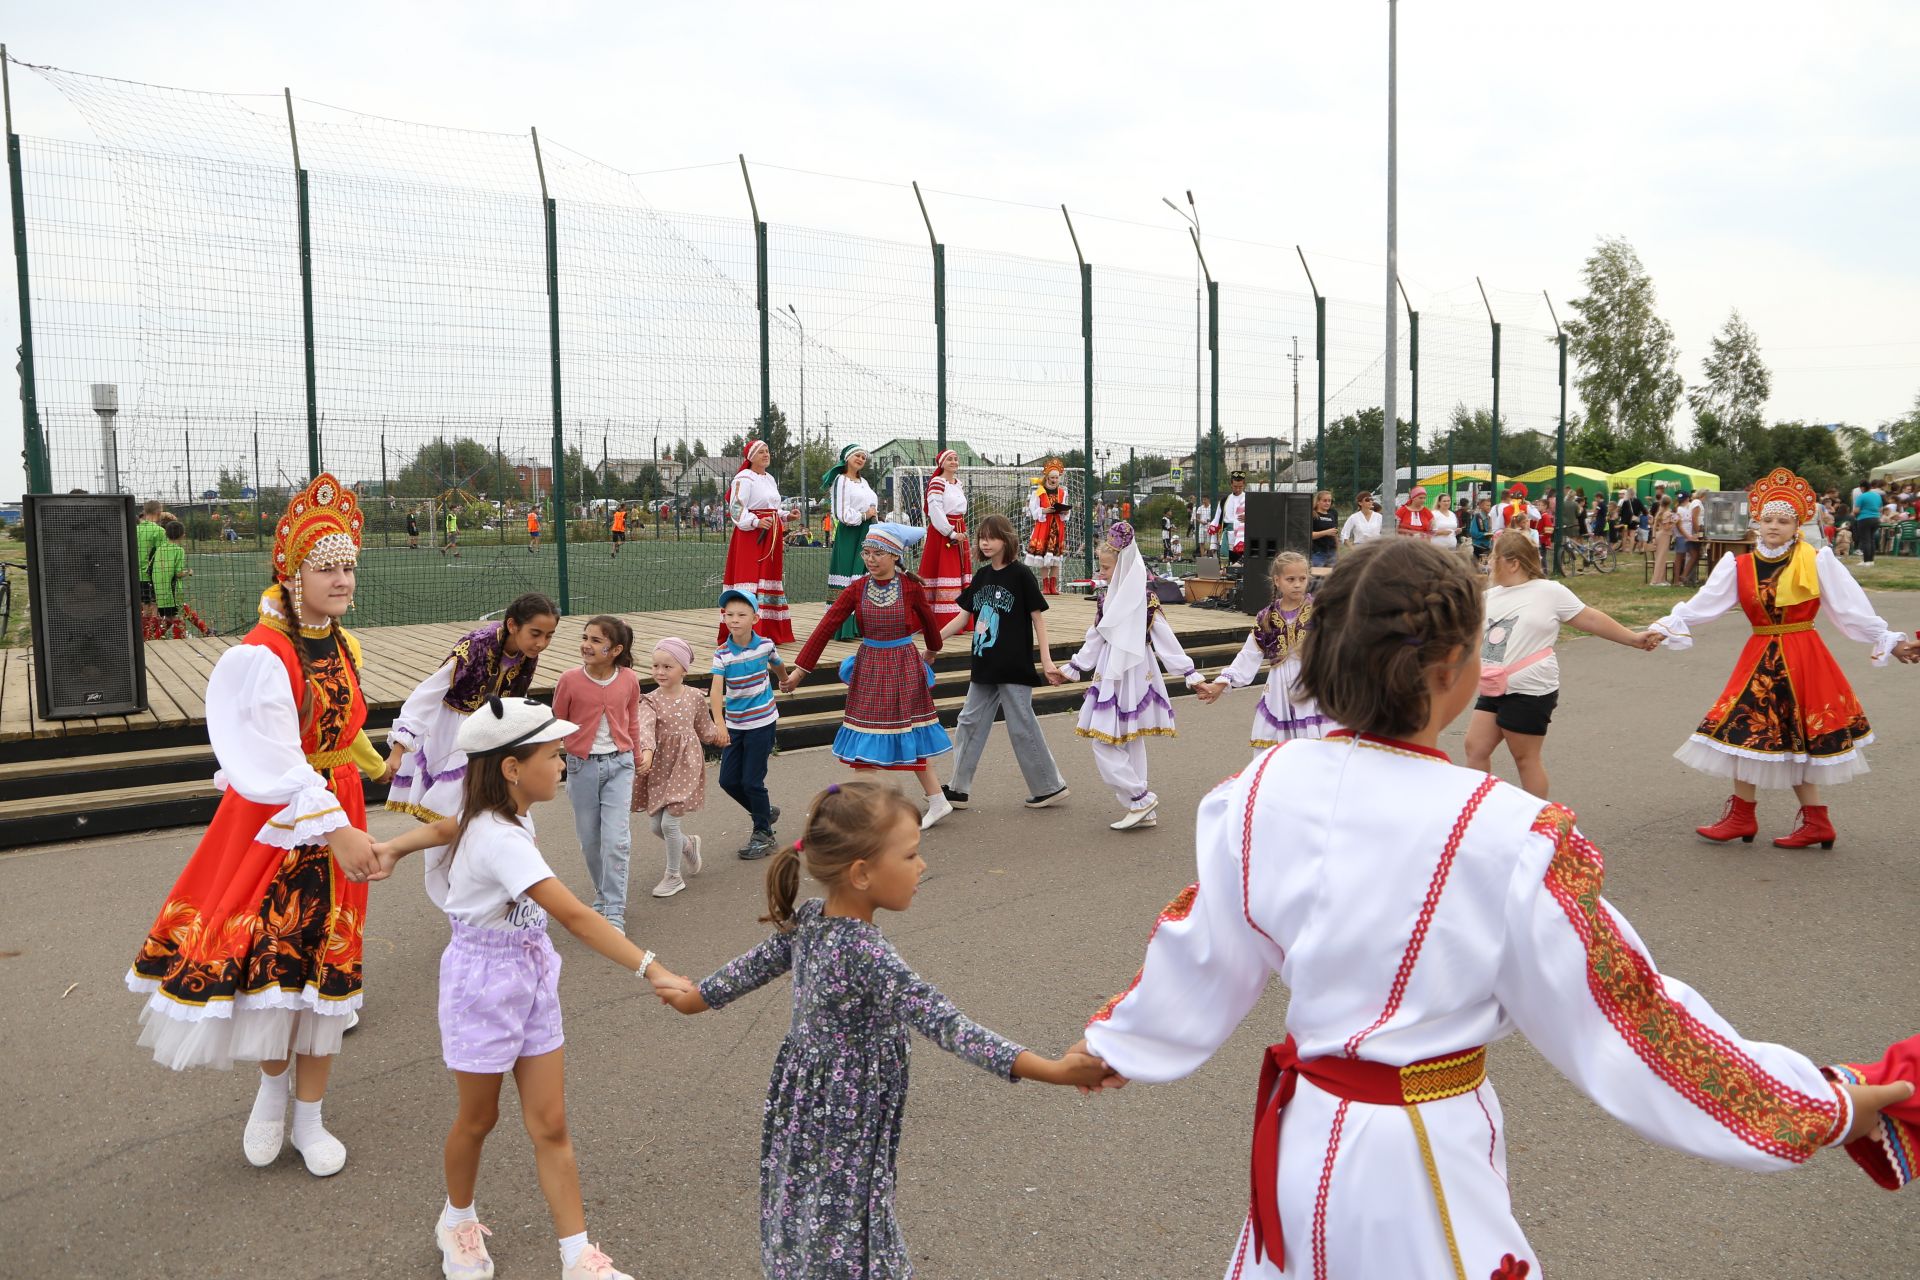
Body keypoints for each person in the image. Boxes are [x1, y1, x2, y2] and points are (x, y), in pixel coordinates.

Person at [1070, 536, 1913, 1280]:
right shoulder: (1505, 834)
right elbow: (1632, 1017)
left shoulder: (1254, 793)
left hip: (1301, 1146)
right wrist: (1827, 1101)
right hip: (1422, 1162)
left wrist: (1117, 1045)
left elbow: (1204, 944)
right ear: (1452, 674)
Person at [647, 781, 1109, 1280]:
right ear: (862, 873)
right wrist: (1053, 1070)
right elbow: (947, 1025)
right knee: (848, 1226)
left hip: (803, 1107)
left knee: (808, 1209)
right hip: (847, 1117)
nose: (922, 866)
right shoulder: (868, 955)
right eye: (911, 855)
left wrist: (694, 999)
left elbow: (746, 969)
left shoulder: (810, 919)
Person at [126, 473, 382, 1175]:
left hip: (338, 811)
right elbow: (272, 753)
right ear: (293, 574)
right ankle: (272, 1099)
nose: (341, 578)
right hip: (283, 821)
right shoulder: (261, 658)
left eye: (349, 565)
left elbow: (344, 730)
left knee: (328, 969)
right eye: (326, 567)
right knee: (275, 962)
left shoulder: (347, 646)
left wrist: (388, 766)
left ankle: (311, 1116)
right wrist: (337, 827)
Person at [369, 697, 673, 1280]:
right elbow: (577, 917)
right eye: (553, 755)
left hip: (530, 972)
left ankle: (577, 1255)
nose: (563, 764)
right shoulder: (501, 838)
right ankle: (456, 1219)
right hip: (481, 982)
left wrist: (395, 847)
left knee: (550, 1123)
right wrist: (651, 968)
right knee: (478, 1120)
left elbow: (449, 824)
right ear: (512, 767)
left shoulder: (503, 814)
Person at [1649, 467, 1901, 849]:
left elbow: (1850, 610)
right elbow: (1704, 606)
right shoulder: (1739, 565)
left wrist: (1889, 640)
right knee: (1746, 729)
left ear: (1797, 525)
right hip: (1760, 657)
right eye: (1767, 519)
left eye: (1783, 520)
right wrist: (1666, 627)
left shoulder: (1817, 561)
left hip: (1804, 658)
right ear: (1756, 522)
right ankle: (1746, 817)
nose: (1773, 526)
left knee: (1798, 738)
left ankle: (1809, 822)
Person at [784, 524, 954, 829]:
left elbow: (930, 625)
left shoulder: (911, 588)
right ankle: (865, 809)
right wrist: (800, 671)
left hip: (903, 667)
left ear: (895, 556)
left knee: (910, 733)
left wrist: (931, 652)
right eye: (867, 552)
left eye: (878, 553)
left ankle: (937, 801)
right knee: (866, 734)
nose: (871, 559)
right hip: (870, 668)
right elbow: (827, 626)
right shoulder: (857, 589)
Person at [1468, 532, 1656, 798]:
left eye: (1494, 557)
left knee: (1524, 758)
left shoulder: (1549, 591)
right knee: (1474, 748)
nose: (1488, 562)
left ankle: (1537, 823)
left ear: (1513, 563)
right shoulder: (1490, 596)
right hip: (1492, 687)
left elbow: (1590, 619)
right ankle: (1477, 811)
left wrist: (1633, 639)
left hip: (1530, 691)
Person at [1047, 522, 1202, 830]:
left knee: (1103, 742)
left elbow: (1165, 640)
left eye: (1106, 568)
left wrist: (1190, 675)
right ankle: (1141, 807)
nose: (1101, 573)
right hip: (1114, 672)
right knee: (1130, 740)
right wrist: (1071, 669)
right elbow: (1095, 639)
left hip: (1133, 674)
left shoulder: (1145, 601)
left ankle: (1140, 797)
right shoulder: (1108, 600)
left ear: (1124, 567)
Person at [385, 594, 561, 829]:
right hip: (452, 736)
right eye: (535, 633)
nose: (541, 643)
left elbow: (516, 699)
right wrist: (399, 748)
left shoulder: (527, 654)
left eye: (549, 636)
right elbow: (427, 694)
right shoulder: (476, 645)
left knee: (479, 819)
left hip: (488, 736)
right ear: (512, 625)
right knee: (445, 821)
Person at [938, 512, 1069, 815]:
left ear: (1006, 540)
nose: (985, 542)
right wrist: (934, 642)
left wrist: (1046, 660)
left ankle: (1049, 787)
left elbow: (1038, 619)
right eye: (981, 536)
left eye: (992, 536)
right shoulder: (982, 576)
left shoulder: (1021, 574)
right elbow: (963, 616)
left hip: (1013, 665)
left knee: (1021, 726)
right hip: (984, 663)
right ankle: (958, 789)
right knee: (968, 722)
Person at [552, 616, 642, 933]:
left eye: (595, 641)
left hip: (620, 764)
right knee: (591, 842)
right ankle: (602, 897)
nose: (586, 645)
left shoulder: (629, 679)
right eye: (585, 637)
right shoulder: (569, 680)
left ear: (615, 649)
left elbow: (632, 720)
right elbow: (556, 724)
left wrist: (638, 755)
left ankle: (615, 911)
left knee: (616, 841)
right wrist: (552, 759)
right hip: (582, 767)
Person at [1194, 551, 1329, 746]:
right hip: (1278, 690)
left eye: (1302, 578)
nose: (1297, 584)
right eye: (1290, 579)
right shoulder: (1266, 617)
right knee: (1276, 747)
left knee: (1314, 743)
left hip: (1312, 684)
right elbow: (1248, 655)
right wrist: (1221, 683)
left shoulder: (1319, 610)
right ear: (1277, 580)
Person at [634, 637, 723, 900]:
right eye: (655, 666)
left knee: (670, 824)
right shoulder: (649, 701)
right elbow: (645, 729)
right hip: (660, 766)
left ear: (683, 669)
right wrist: (646, 753)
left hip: (686, 764)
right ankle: (688, 845)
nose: (660, 672)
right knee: (655, 826)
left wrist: (718, 735)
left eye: (667, 667)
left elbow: (704, 728)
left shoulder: (695, 697)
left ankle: (673, 876)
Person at [713, 588, 785, 860]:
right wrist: (719, 723)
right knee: (728, 780)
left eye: (741, 614)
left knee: (752, 781)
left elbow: (777, 664)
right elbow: (717, 690)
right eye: (729, 614)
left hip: (762, 722)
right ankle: (764, 812)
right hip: (735, 725)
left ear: (755, 618)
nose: (734, 619)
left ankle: (763, 833)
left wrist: (785, 679)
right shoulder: (722, 654)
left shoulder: (765, 645)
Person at [720, 440, 793, 644]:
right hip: (751, 535)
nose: (766, 454)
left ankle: (768, 628)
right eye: (761, 452)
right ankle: (746, 630)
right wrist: (755, 521)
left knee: (768, 577)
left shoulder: (769, 478)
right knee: (750, 576)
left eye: (767, 451)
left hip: (770, 532)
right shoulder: (743, 478)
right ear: (750, 456)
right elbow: (736, 509)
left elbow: (772, 507)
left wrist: (787, 516)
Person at [823, 443, 878, 640]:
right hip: (850, 532)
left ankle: (859, 625)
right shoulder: (841, 480)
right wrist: (865, 515)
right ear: (847, 458)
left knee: (863, 574)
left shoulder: (863, 482)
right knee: (847, 575)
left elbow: (871, 506)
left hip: (866, 531)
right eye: (857, 455)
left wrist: (872, 518)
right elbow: (842, 513)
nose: (861, 459)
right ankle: (843, 626)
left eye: (863, 457)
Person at [919, 448, 972, 633]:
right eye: (950, 459)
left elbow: (960, 510)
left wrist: (961, 532)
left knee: (960, 571)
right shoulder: (937, 482)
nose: (954, 462)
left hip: (959, 528)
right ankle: (944, 620)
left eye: (956, 459)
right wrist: (950, 533)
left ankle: (962, 617)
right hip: (943, 532)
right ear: (942, 463)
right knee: (946, 571)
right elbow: (935, 510)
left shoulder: (958, 483)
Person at [1024, 457, 1073, 593]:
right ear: (1047, 477)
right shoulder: (1038, 492)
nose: (1054, 480)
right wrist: (1044, 510)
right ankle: (1045, 586)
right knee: (1043, 557)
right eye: (1052, 477)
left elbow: (1066, 514)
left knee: (1056, 558)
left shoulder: (1063, 492)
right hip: (1044, 527)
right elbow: (1032, 512)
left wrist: (1063, 510)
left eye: (1057, 478)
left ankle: (1053, 586)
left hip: (1057, 527)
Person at [151, 518, 191, 640]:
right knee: (177, 617)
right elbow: (178, 573)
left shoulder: (160, 549)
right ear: (182, 535)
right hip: (172, 591)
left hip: (159, 589)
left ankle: (154, 638)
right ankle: (180, 640)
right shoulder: (179, 550)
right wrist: (188, 572)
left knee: (169, 617)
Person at [136, 498, 166, 637]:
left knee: (144, 607)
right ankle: (152, 636)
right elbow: (161, 556)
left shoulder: (135, 529)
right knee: (155, 607)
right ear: (159, 512)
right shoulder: (159, 531)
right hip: (152, 575)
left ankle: (144, 636)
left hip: (136, 576)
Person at [1216, 472, 1249, 564]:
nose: (1238, 489)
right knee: (1225, 566)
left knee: (1241, 566)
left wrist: (1249, 517)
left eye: (1240, 487)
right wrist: (1213, 545)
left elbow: (1259, 518)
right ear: (1231, 484)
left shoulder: (1249, 499)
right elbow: (1217, 521)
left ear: (1244, 485)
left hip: (1243, 538)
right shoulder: (1224, 500)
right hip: (1227, 539)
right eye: (1235, 486)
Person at [1852, 477, 1884, 567]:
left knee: (1865, 540)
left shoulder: (1861, 497)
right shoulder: (1877, 496)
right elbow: (1881, 508)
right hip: (1876, 519)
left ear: (1862, 487)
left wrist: (1854, 514)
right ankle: (1871, 560)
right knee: (1872, 539)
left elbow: (1856, 510)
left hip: (1864, 519)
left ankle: (1866, 561)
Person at [1678, 489, 1704, 585]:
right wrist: (1694, 534)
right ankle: (1683, 577)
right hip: (1686, 535)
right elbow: (1681, 525)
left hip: (1687, 535)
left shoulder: (1685, 508)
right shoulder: (1681, 509)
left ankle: (1686, 577)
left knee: (1693, 555)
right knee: (1692, 555)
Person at [1649, 495, 1678, 586]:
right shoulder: (1667, 513)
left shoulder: (1660, 512)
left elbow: (1654, 526)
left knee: (1661, 558)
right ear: (1669, 503)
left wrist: (1653, 538)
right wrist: (1674, 522)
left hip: (1658, 535)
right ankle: (1656, 581)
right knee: (1661, 558)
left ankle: (1661, 579)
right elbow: (1666, 527)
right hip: (1664, 536)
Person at [1308, 490, 1339, 568]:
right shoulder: (1313, 515)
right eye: (1324, 501)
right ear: (1318, 501)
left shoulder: (1331, 516)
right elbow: (1309, 535)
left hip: (1332, 552)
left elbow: (1335, 534)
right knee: (1317, 577)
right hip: (1318, 553)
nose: (1327, 503)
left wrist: (1337, 551)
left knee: (1331, 577)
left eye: (1329, 501)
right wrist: (1326, 532)